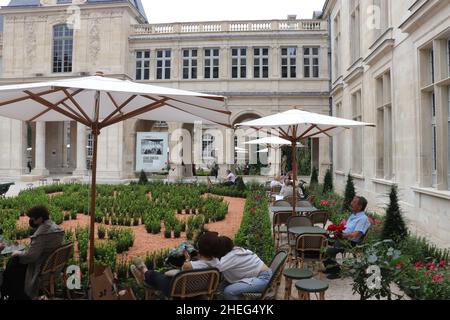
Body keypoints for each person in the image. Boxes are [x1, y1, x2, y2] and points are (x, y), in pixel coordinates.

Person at [0, 205, 64, 300]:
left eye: (32, 218)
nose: (31, 221)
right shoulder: (55, 228)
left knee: (13, 263)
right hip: (51, 266)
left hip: (40, 269)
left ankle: (12, 293)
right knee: (14, 263)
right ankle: (10, 292)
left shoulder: (42, 233)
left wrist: (18, 253)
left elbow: (31, 256)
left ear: (40, 219)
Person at [130, 232, 220, 298]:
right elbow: (203, 264)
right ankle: (145, 275)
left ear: (200, 249)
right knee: (166, 276)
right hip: (201, 289)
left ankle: (144, 272)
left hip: (176, 289)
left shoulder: (189, 265)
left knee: (157, 275)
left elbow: (180, 272)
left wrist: (187, 259)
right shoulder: (218, 264)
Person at [323, 196, 371, 279]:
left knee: (329, 251)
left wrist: (342, 235)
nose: (351, 203)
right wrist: (337, 231)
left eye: (354, 202)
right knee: (322, 239)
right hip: (343, 238)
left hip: (350, 242)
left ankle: (336, 271)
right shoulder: (353, 215)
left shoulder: (363, 219)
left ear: (359, 207)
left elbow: (355, 235)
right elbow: (346, 228)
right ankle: (330, 268)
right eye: (352, 201)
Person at [213, 236, 272, 300]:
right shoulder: (236, 250)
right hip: (264, 275)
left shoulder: (230, 256)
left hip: (264, 280)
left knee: (229, 291)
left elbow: (213, 268)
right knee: (220, 288)